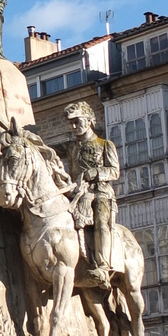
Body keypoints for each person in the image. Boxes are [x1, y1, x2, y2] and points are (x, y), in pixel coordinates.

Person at [63, 100, 120, 291]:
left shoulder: (105, 144)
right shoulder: (72, 148)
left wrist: (94, 173)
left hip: (100, 192)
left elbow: (114, 171)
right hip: (79, 193)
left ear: (88, 121)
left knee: (101, 222)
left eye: (76, 121)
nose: (73, 126)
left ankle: (103, 267)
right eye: (70, 123)